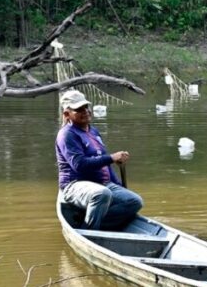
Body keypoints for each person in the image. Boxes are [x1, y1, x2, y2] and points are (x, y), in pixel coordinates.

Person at [56, 89, 143, 230]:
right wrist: (111, 158)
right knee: (101, 194)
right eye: (79, 109)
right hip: (74, 185)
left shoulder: (93, 131)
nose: (85, 111)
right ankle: (90, 231)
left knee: (134, 201)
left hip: (102, 184)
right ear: (67, 114)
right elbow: (79, 164)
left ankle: (96, 225)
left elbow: (105, 165)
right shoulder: (67, 135)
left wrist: (117, 184)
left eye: (86, 107)